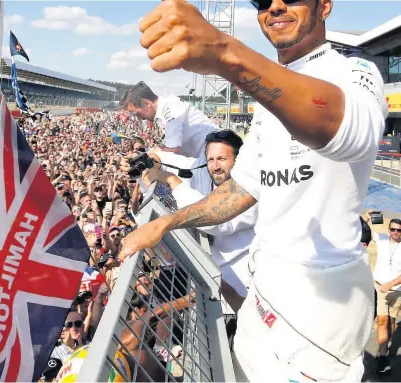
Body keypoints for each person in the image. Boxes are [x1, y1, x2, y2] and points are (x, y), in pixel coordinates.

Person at [121, 0, 388, 381]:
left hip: (323, 299)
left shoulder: (355, 71)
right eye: (263, 0)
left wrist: (225, 53)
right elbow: (239, 190)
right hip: (264, 285)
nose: (275, 5)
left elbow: (345, 132)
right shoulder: (266, 97)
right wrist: (167, 224)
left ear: (325, 6)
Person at [141, 130, 253, 313]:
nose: (215, 166)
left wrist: (171, 180)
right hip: (210, 294)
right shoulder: (205, 172)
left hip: (240, 300)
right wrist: (150, 158)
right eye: (211, 159)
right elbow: (178, 162)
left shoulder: (250, 190)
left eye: (222, 159)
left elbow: (216, 220)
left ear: (238, 161)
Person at [120, 82, 218, 159]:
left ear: (147, 103)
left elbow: (173, 149)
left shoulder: (169, 108)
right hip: (207, 156)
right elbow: (164, 146)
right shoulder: (164, 109)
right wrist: (143, 153)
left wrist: (143, 158)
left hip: (214, 156)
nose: (139, 118)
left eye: (138, 114)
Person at [368, 217, 401, 373]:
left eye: (399, 230)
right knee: (382, 320)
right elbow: (364, 232)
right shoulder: (381, 239)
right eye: (393, 229)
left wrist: (391, 284)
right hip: (381, 288)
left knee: (391, 321)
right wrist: (368, 217)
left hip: (397, 291)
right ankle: (382, 355)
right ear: (388, 229)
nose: (395, 232)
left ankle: (385, 346)